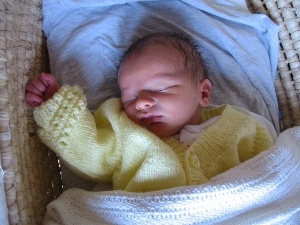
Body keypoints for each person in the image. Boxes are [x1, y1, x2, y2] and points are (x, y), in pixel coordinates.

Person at [25, 33, 276, 192]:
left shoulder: (240, 127)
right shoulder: (125, 133)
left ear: (203, 94)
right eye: (131, 97)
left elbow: (273, 173)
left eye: (161, 88)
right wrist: (58, 107)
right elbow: (90, 153)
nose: (142, 102)